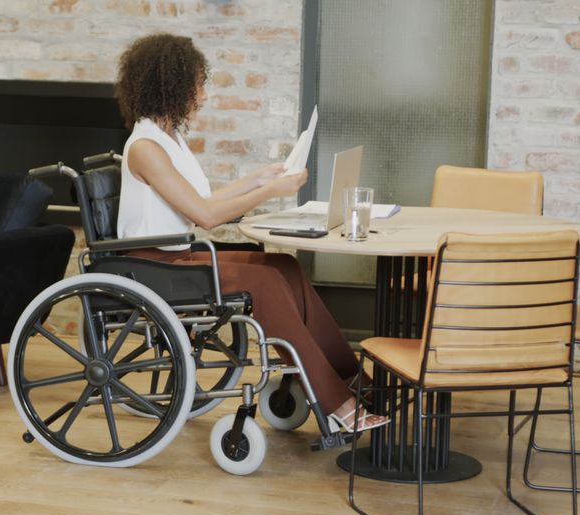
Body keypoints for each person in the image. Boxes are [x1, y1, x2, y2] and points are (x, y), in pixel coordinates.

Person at [114, 33, 386, 433]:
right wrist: (268, 192)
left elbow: (201, 199)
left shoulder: (168, 138)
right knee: (263, 281)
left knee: (284, 267)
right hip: (151, 266)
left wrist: (258, 179)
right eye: (199, 85)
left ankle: (351, 381)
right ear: (170, 86)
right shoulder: (145, 148)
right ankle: (337, 403)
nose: (204, 95)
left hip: (177, 257)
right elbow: (206, 216)